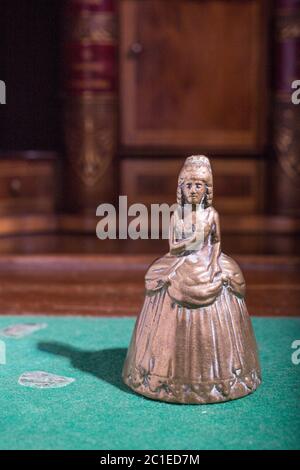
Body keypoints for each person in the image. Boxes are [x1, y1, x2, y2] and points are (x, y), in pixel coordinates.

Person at [123, 155, 261, 404]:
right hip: (182, 262)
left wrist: (213, 261)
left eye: (199, 185)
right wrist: (191, 243)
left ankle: (226, 375)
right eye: (189, 185)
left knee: (231, 276)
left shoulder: (211, 215)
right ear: (181, 189)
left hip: (207, 262)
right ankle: (157, 374)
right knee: (156, 276)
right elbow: (174, 248)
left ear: (207, 190)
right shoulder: (177, 215)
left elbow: (216, 241)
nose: (194, 190)